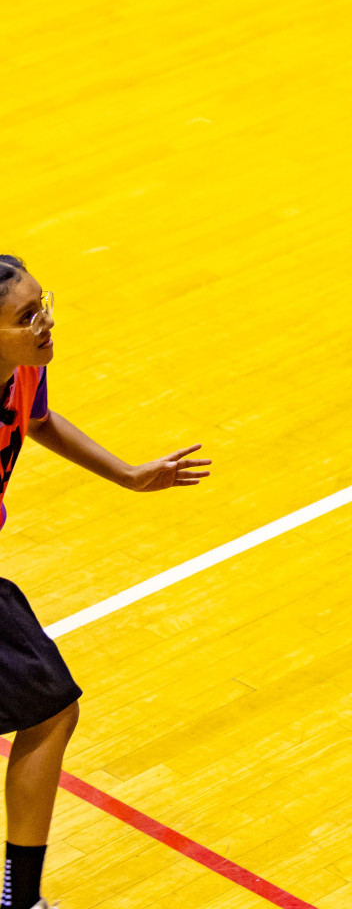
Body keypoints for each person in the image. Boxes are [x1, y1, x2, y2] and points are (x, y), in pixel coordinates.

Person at [0, 256, 211, 909]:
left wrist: (127, 474)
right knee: (49, 706)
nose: (45, 323)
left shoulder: (25, 368)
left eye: (44, 305)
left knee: (48, 707)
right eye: (25, 316)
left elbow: (35, 421)